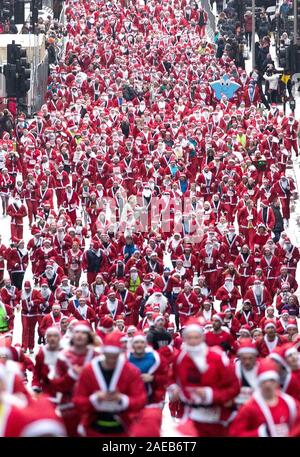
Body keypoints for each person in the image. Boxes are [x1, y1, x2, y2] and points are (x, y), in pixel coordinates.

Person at [169, 318, 240, 437]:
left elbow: (234, 387)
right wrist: (173, 389)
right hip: (190, 415)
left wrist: (211, 395)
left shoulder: (217, 357)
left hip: (216, 416)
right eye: (189, 338)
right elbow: (172, 378)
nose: (193, 341)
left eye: (196, 337)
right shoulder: (180, 359)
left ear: (202, 338)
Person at [73, 331, 147, 437]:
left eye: (115, 356)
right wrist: (95, 398)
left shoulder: (131, 372)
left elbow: (141, 399)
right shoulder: (89, 371)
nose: (112, 360)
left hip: (123, 429)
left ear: (120, 354)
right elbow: (77, 400)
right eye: (109, 356)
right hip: (93, 429)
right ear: (103, 353)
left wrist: (121, 399)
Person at [230, 359, 300, 437]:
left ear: (277, 383)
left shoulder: (290, 403)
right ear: (259, 384)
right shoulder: (249, 407)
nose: (268, 385)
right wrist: (260, 433)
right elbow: (235, 433)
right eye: (264, 381)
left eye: (271, 381)